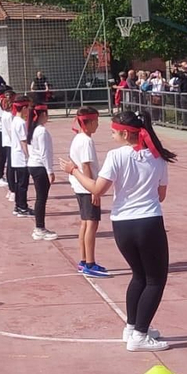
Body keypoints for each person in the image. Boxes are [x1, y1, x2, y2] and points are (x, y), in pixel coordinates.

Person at [61, 109, 175, 352]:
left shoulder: (115, 156)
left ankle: (133, 327)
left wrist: (73, 171)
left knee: (139, 276)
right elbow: (161, 195)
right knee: (155, 280)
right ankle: (140, 335)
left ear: (125, 133)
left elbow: (97, 188)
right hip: (148, 222)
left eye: (113, 132)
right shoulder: (157, 156)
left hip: (122, 224)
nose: (111, 135)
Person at [66, 107, 110, 278]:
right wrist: (93, 189)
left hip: (79, 186)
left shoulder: (78, 138)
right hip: (86, 187)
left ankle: (84, 260)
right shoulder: (86, 141)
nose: (98, 125)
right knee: (92, 223)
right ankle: (90, 263)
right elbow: (86, 165)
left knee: (85, 222)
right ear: (89, 122)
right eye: (96, 121)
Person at [23, 103, 58, 241]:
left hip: (34, 164)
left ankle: (39, 227)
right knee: (41, 199)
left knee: (40, 198)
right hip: (40, 167)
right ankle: (39, 228)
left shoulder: (33, 129)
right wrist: (50, 171)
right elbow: (45, 153)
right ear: (42, 115)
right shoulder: (41, 131)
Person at [8, 97, 32, 218]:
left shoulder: (15, 120)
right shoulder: (21, 122)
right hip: (21, 156)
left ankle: (19, 205)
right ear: (23, 108)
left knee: (19, 183)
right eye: (27, 108)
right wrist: (29, 156)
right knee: (23, 183)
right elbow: (23, 141)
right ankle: (22, 206)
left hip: (15, 155)